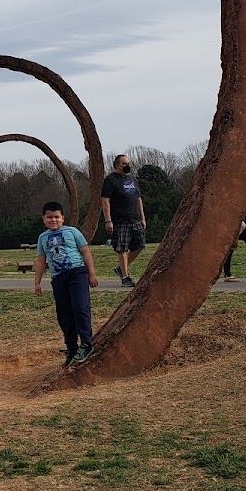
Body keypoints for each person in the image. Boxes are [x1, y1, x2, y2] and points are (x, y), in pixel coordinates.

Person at [34, 201, 99, 367]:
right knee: (64, 315)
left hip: (77, 273)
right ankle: (71, 348)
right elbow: (41, 261)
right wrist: (37, 282)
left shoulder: (72, 232)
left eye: (57, 217)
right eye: (49, 217)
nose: (53, 220)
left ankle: (86, 344)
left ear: (63, 218)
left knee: (80, 307)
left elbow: (86, 252)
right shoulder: (42, 238)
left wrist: (91, 274)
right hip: (58, 278)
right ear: (44, 219)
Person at [100, 154, 148, 287]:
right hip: (120, 220)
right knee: (122, 248)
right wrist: (108, 220)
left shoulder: (132, 179)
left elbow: (138, 198)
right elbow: (105, 200)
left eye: (128, 163)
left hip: (135, 218)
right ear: (117, 165)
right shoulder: (110, 180)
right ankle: (125, 277)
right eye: (124, 164)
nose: (127, 166)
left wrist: (142, 217)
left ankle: (121, 269)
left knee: (140, 245)